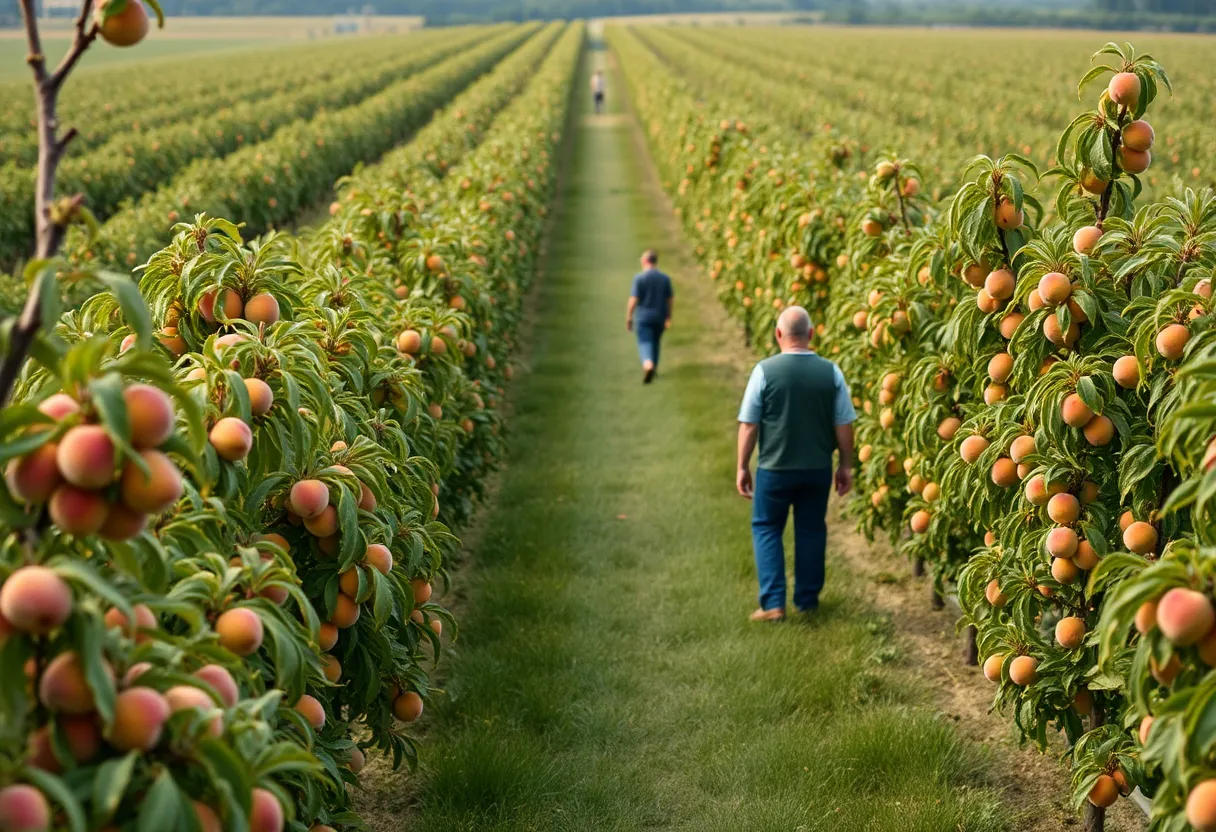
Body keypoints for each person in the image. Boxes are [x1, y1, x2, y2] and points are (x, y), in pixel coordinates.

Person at [736, 306, 856, 623]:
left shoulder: (764, 371)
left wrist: (742, 466)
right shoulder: (831, 372)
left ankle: (773, 603)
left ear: (778, 334)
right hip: (817, 468)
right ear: (811, 334)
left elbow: (749, 424)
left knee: (766, 528)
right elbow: (844, 424)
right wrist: (845, 465)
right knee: (811, 530)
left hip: (774, 468)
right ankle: (807, 601)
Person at [625, 249, 673, 384]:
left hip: (643, 317)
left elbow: (634, 299)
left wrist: (629, 317)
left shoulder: (639, 278)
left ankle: (648, 364)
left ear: (645, 261)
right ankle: (654, 368)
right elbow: (670, 299)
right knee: (655, 341)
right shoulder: (664, 278)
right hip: (660, 316)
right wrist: (669, 316)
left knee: (645, 342)